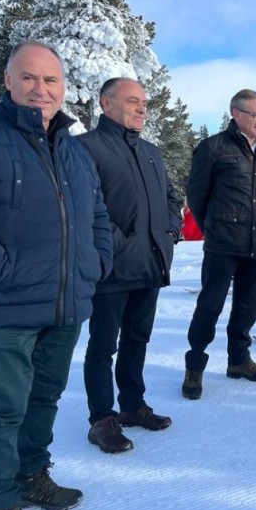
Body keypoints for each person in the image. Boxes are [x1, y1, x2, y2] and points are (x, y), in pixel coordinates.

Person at [0, 40, 113, 510]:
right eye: (28, 78)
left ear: (63, 88)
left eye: (50, 80)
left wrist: (95, 264)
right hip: (3, 305)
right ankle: (1, 503)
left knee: (44, 398)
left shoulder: (74, 150)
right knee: (4, 408)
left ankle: (33, 475)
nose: (40, 89)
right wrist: (2, 272)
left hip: (65, 304)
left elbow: (95, 214)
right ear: (7, 81)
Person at [78, 77, 181, 454]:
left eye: (145, 103)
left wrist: (169, 232)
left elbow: (171, 197)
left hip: (150, 265)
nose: (142, 109)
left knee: (138, 340)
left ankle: (133, 406)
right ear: (106, 104)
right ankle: (101, 419)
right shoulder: (85, 148)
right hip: (111, 269)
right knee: (103, 346)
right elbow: (86, 207)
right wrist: (119, 245)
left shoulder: (151, 152)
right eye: (133, 101)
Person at [181, 89, 256, 400]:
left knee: (250, 305)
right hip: (223, 243)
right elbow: (197, 196)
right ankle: (195, 365)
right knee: (209, 306)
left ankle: (239, 360)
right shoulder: (213, 148)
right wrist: (214, 226)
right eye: (255, 114)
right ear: (236, 114)